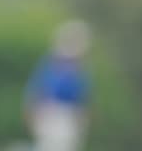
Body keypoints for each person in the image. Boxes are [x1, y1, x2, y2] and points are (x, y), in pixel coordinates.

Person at [24, 20, 92, 151]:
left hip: (68, 118)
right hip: (49, 114)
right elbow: (36, 91)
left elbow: (82, 102)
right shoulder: (49, 66)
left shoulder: (80, 72)